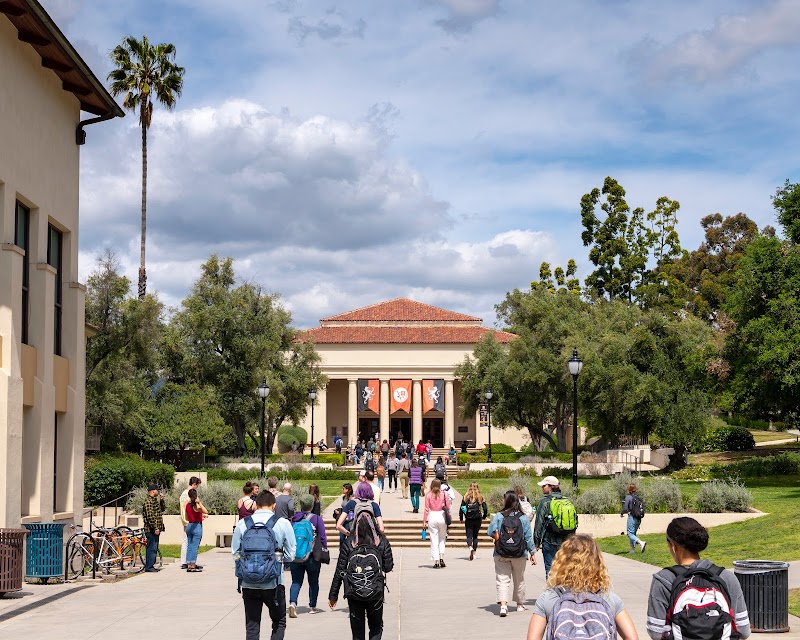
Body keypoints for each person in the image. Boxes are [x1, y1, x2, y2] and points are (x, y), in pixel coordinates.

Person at [646, 517, 751, 640]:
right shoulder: (726, 577)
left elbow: (655, 632)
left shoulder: (664, 579)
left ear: (674, 546)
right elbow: (744, 630)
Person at [526, 534, 639, 640]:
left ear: (561, 561)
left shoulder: (548, 598)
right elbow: (632, 638)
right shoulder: (610, 599)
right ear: (597, 562)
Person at [232, 490, 296, 640]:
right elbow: (291, 555)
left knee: (252, 626)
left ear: (256, 505)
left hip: (248, 583)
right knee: (279, 621)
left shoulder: (243, 524)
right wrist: (276, 560)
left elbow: (235, 553)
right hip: (274, 583)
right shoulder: (282, 523)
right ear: (274, 506)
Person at [329, 504, 394, 640]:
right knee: (376, 626)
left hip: (354, 591)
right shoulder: (381, 541)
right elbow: (388, 567)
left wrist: (333, 595)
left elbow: (340, 571)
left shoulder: (349, 542)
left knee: (357, 630)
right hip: (375, 591)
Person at [487, 491, 536, 617]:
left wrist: (497, 535)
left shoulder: (499, 516)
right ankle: (520, 604)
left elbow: (490, 531)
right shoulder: (523, 517)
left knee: (502, 579)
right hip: (519, 553)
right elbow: (528, 537)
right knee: (519, 578)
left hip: (501, 552)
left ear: (507, 501)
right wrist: (532, 552)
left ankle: (503, 606)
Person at [288, 493, 328, 617]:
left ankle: (293, 603)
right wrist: (324, 550)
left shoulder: (294, 520)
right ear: (312, 505)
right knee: (313, 581)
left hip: (296, 555)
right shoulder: (317, 519)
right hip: (312, 556)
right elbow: (322, 537)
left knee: (296, 581)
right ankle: (312, 606)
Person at [532, 475, 573, 577]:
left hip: (549, 541)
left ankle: (552, 592)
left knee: (550, 571)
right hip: (566, 541)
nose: (542, 488)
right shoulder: (566, 500)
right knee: (565, 571)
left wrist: (536, 543)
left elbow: (539, 524)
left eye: (544, 486)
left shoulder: (545, 502)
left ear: (550, 486)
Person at [423, 478, 452, 568]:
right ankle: (441, 557)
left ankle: (436, 561)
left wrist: (424, 521)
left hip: (432, 516)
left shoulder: (428, 495)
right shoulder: (444, 494)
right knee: (442, 538)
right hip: (442, 515)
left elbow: (426, 509)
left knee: (433, 538)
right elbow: (448, 506)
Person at [460, 482, 488, 560]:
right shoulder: (480, 497)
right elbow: (485, 508)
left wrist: (461, 518)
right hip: (477, 518)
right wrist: (484, 516)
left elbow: (462, 507)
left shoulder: (465, 497)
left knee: (469, 535)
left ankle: (470, 548)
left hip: (469, 518)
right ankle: (474, 553)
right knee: (475, 536)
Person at [179, 475, 202, 569]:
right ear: (194, 484)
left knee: (187, 541)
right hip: (189, 521)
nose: (197, 487)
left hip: (187, 520)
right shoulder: (187, 495)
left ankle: (187, 561)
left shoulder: (183, 494)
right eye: (197, 485)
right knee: (188, 542)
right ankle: (186, 562)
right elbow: (187, 509)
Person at [142, 483, 165, 573]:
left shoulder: (154, 501)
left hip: (156, 529)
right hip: (151, 530)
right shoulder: (148, 502)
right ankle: (149, 566)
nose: (158, 492)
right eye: (157, 490)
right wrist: (155, 528)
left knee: (154, 547)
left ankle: (151, 565)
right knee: (151, 547)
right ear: (153, 491)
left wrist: (162, 500)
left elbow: (162, 509)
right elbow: (150, 516)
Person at [185, 488, 208, 572]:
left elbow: (187, 517)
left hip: (189, 525)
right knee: (195, 546)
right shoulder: (196, 506)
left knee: (190, 545)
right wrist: (199, 502)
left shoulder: (187, 505)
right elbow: (205, 511)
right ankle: (193, 564)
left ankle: (188, 563)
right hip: (197, 526)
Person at [621, 483, 646, 554]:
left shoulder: (628, 497)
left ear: (629, 490)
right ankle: (632, 550)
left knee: (629, 533)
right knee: (633, 533)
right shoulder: (639, 498)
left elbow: (625, 508)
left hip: (632, 517)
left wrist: (622, 513)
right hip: (638, 518)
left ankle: (641, 543)